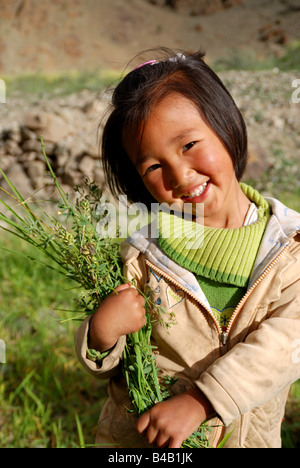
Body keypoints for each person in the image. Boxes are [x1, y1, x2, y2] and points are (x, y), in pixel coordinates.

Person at [75, 48, 300, 448]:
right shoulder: (142, 254)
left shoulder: (290, 249)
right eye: (153, 167)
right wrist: (100, 334)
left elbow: (284, 347)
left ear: (226, 126)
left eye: (189, 144)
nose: (180, 175)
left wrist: (201, 401)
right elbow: (115, 364)